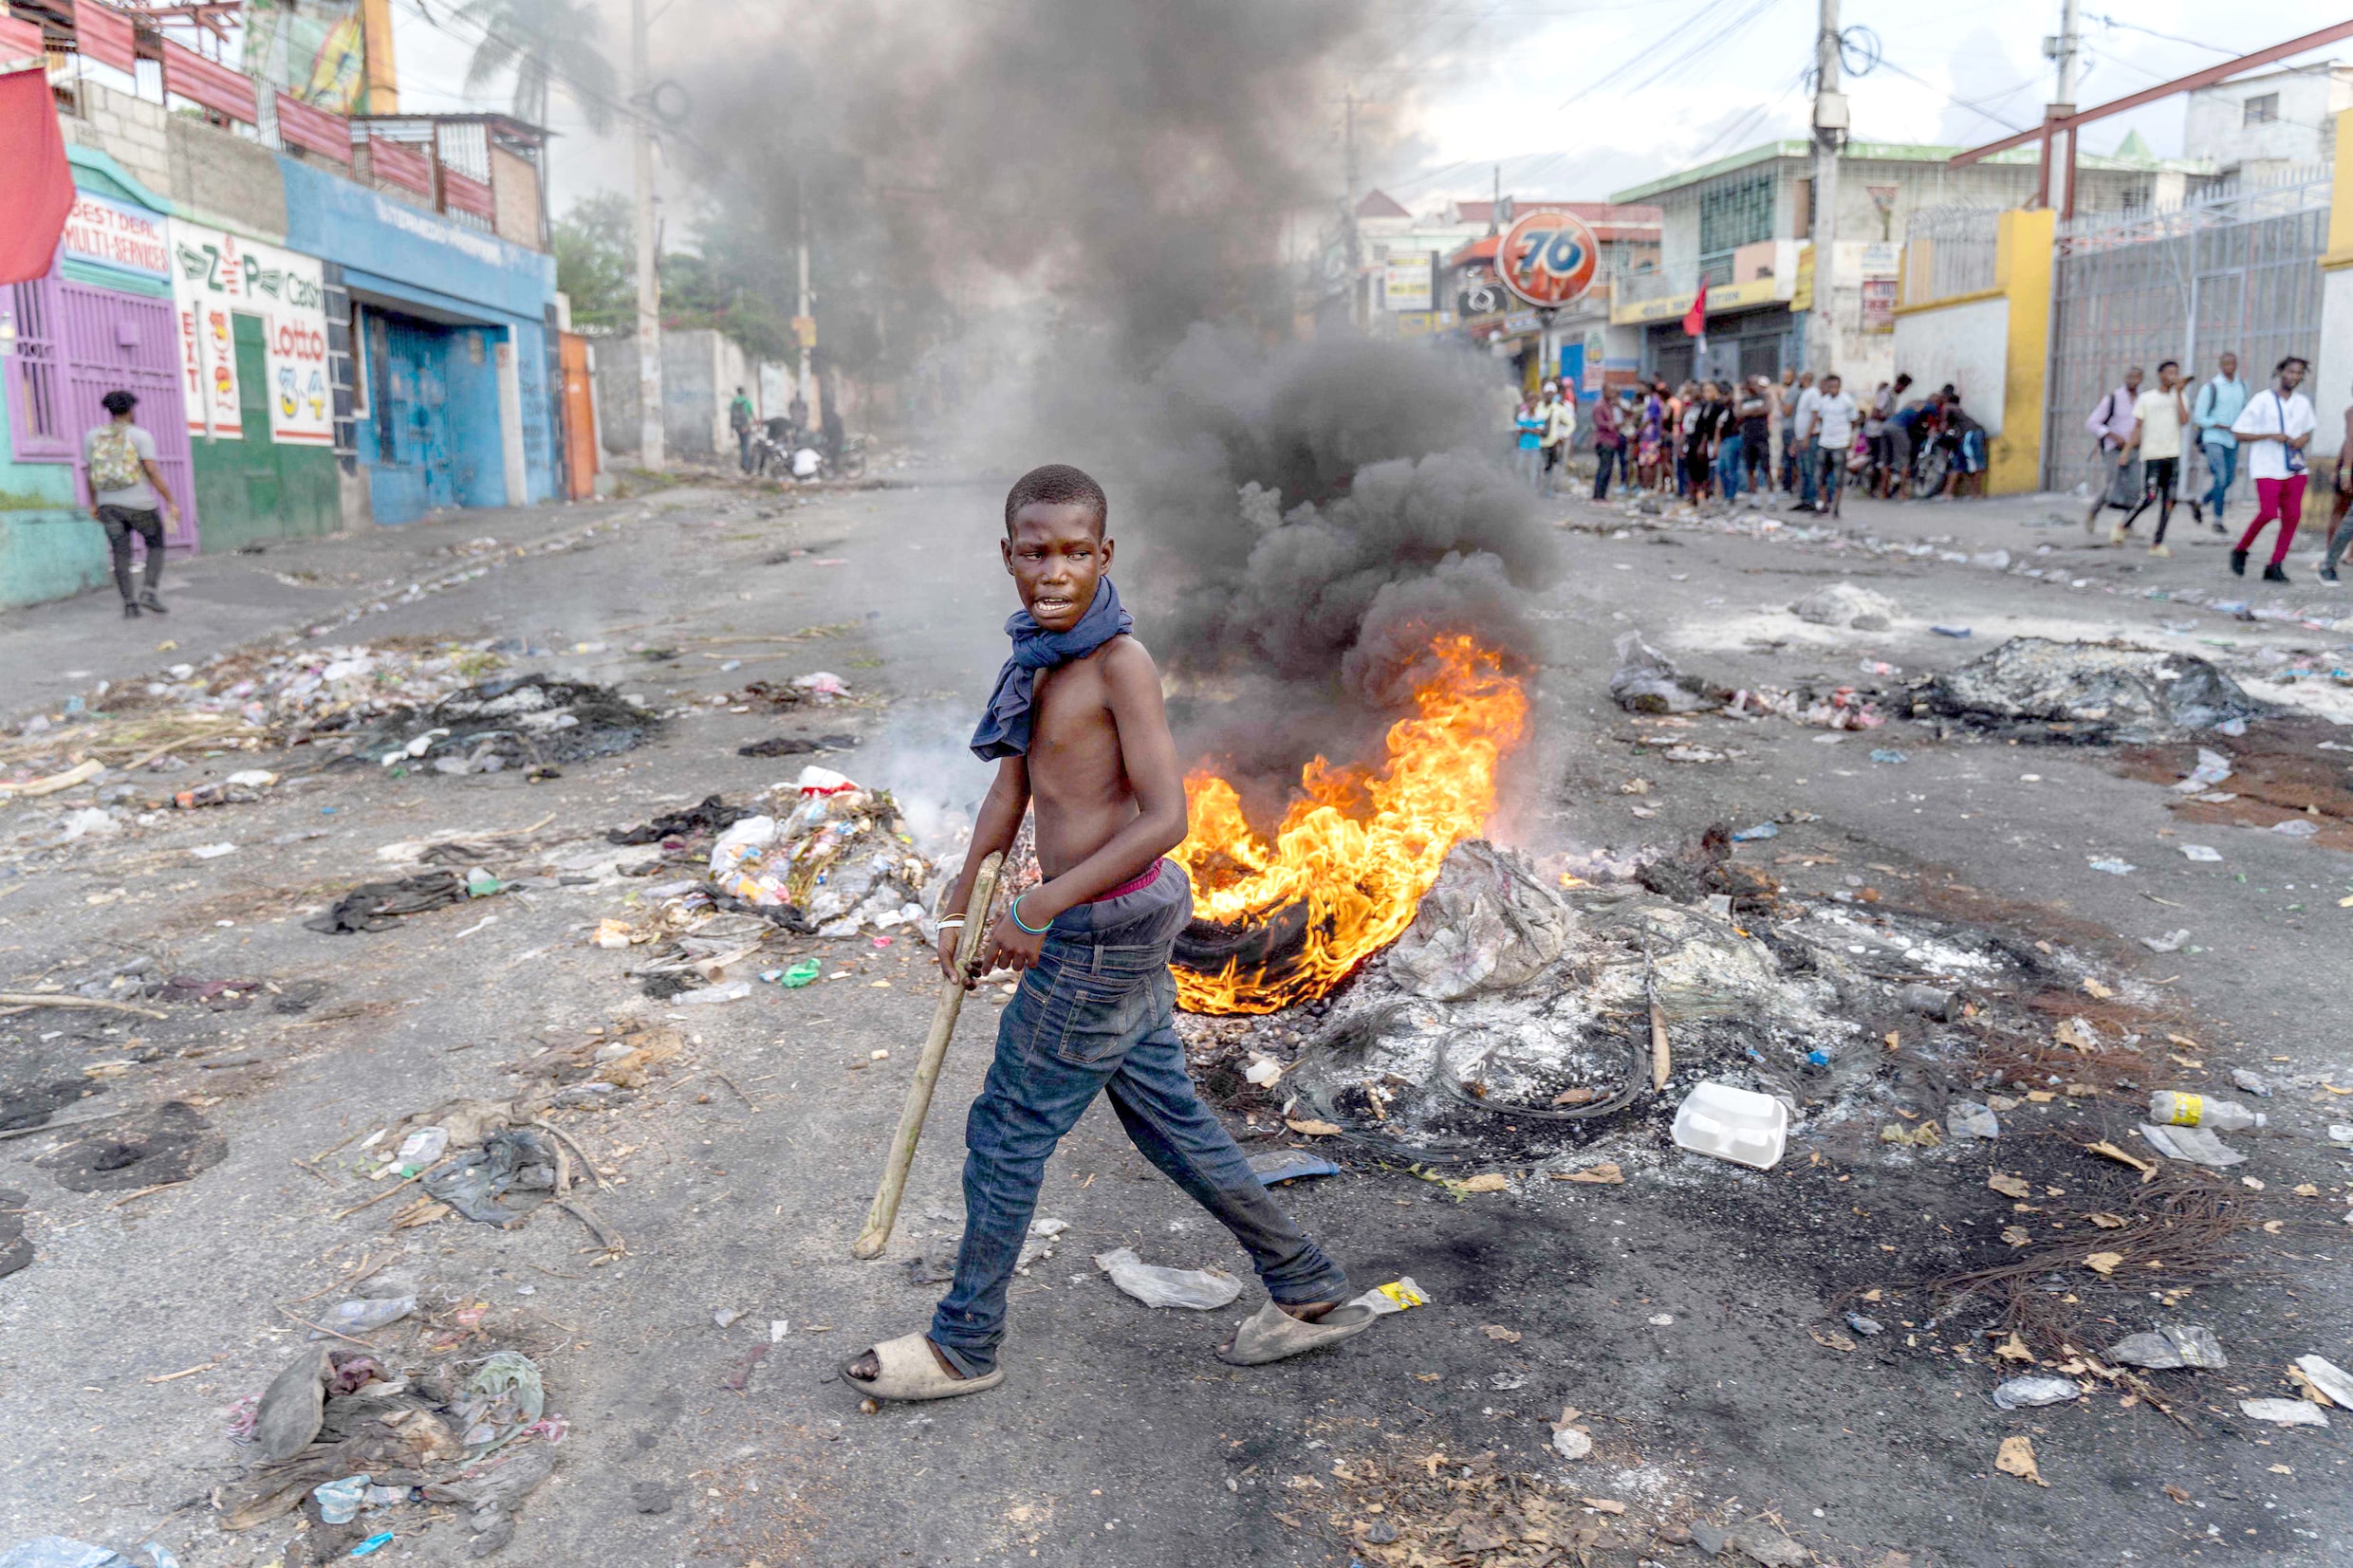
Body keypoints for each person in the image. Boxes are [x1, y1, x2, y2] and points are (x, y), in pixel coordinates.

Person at [841, 465, 1361, 1403]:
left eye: (1075, 552)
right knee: (1170, 1120)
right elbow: (1011, 787)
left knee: (1004, 1135)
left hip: (1102, 926)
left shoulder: (1119, 663)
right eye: (1034, 552)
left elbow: (1167, 820)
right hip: (1106, 919)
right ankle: (1308, 1284)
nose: (1054, 570)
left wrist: (1034, 911)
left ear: (1104, 556)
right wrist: (964, 909)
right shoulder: (1034, 657)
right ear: (1007, 557)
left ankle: (965, 1345)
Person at [83, 389, 179, 618]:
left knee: (120, 552)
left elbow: (90, 473)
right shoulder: (140, 436)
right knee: (155, 543)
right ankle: (148, 592)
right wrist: (170, 501)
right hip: (139, 504)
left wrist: (94, 504)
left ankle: (129, 604)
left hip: (108, 505)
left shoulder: (92, 437)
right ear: (130, 410)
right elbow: (151, 470)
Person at [2230, 356, 2315, 582]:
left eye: (2298, 373)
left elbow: (2308, 430)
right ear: (2281, 372)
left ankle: (2275, 564)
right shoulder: (2262, 400)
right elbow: (2238, 433)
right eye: (2290, 372)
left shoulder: (2303, 403)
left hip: (2295, 467)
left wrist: (2302, 439)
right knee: (2268, 512)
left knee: (2292, 516)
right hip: (2266, 465)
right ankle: (2241, 549)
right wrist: (2270, 435)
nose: (2294, 377)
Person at [2117, 360, 2190, 553]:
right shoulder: (2147, 398)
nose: (2173, 376)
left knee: (2170, 500)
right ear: (2161, 375)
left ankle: (2157, 543)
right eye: (2169, 373)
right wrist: (2126, 452)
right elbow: (2137, 428)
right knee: (2149, 497)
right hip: (2152, 456)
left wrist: (2180, 394)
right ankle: (2124, 525)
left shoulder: (2180, 397)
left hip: (2172, 455)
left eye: (2176, 372)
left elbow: (2184, 421)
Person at [2084, 368, 2144, 531]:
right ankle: (2093, 511)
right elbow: (2092, 423)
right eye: (2130, 376)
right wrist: (2112, 435)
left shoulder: (2142, 399)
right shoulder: (2113, 398)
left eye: (2136, 377)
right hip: (2114, 448)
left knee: (2135, 486)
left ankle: (2126, 524)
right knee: (2114, 483)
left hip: (2134, 448)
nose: (2133, 380)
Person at [2193, 351, 2246, 532]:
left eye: (2233, 363)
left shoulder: (2241, 386)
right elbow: (2199, 417)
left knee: (2229, 478)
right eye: (2226, 364)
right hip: (2214, 437)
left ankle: (2201, 501)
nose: (2230, 367)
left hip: (2232, 439)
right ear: (2221, 366)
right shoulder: (2211, 387)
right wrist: (2218, 424)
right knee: (2220, 476)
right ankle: (2217, 519)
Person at [1806, 372, 1860, 519]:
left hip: (1840, 444)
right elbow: (1821, 419)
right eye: (1830, 386)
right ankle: (1823, 504)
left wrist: (1848, 439)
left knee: (1838, 478)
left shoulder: (1847, 401)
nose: (1833, 388)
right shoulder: (1823, 402)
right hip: (1825, 443)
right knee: (1820, 476)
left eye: (1835, 386)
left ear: (1839, 386)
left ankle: (1836, 507)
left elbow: (1854, 421)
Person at [2325, 381, 2353, 584]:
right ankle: (2329, 562)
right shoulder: (2351, 413)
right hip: (2350, 469)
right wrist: (2343, 471)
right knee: (2343, 516)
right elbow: (2350, 442)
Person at [1537, 378, 1576, 497]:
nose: (1549, 395)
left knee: (1549, 467)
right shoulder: (1538, 407)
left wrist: (1563, 436)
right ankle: (1536, 489)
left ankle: (1547, 489)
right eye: (1547, 392)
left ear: (1555, 394)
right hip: (1537, 443)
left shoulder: (1559, 409)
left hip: (1551, 443)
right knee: (1537, 467)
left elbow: (1571, 424)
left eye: (1551, 393)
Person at [1734, 376, 1771, 499]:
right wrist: (1754, 410)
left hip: (1762, 436)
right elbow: (1738, 413)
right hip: (1748, 436)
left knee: (1766, 467)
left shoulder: (1764, 396)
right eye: (1753, 384)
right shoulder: (1744, 399)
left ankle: (1771, 496)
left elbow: (1766, 409)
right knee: (1750, 468)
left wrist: (1749, 412)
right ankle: (1754, 498)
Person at [1590, 388, 1627, 501]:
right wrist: (1615, 425)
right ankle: (1598, 495)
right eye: (1611, 391)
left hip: (1612, 441)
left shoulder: (1611, 405)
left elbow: (1629, 413)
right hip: (1604, 441)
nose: (1613, 394)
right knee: (1604, 469)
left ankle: (1602, 495)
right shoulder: (1599, 406)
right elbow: (1600, 423)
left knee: (1608, 469)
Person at [1512, 393, 1544, 491]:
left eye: (1534, 402)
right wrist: (1531, 429)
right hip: (1523, 446)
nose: (1532, 404)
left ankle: (1531, 491)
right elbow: (1518, 430)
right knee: (1519, 469)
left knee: (1533, 471)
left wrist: (1526, 429)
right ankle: (1519, 489)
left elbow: (1538, 431)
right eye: (1530, 401)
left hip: (1534, 447)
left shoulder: (1539, 416)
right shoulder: (1522, 415)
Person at [729, 385, 756, 473]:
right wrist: (756, 423)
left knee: (742, 445)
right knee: (746, 445)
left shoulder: (734, 402)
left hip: (737, 426)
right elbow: (751, 413)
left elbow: (731, 416)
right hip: (745, 427)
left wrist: (731, 430)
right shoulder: (747, 401)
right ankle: (746, 465)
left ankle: (742, 463)